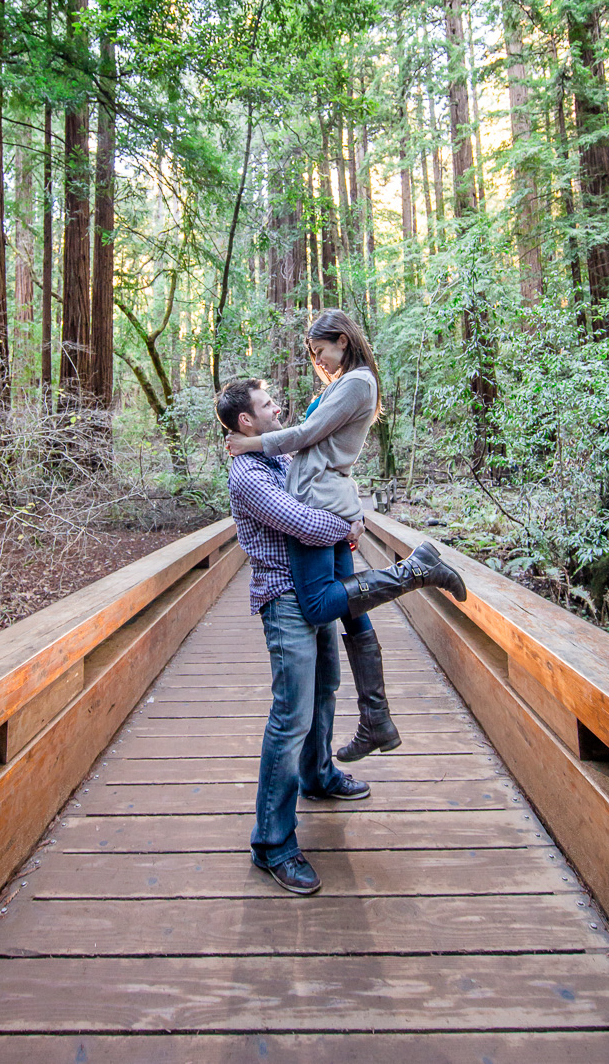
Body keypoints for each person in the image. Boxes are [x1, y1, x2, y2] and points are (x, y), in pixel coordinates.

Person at [225, 310, 467, 761]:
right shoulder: (344, 382)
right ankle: (376, 719)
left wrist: (251, 443)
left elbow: (309, 434)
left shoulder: (357, 381)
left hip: (319, 499)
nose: (319, 360)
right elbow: (322, 444)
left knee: (320, 603)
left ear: (341, 339)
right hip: (326, 495)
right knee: (352, 607)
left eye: (320, 351)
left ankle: (416, 569)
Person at [215, 376, 372, 895]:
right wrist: (347, 527)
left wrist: (347, 513)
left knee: (326, 688)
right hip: (283, 600)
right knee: (290, 715)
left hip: (315, 588)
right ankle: (273, 842)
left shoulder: (281, 457)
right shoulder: (248, 474)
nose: (276, 406)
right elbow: (302, 521)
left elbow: (324, 484)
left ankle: (319, 774)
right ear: (245, 422)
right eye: (266, 404)